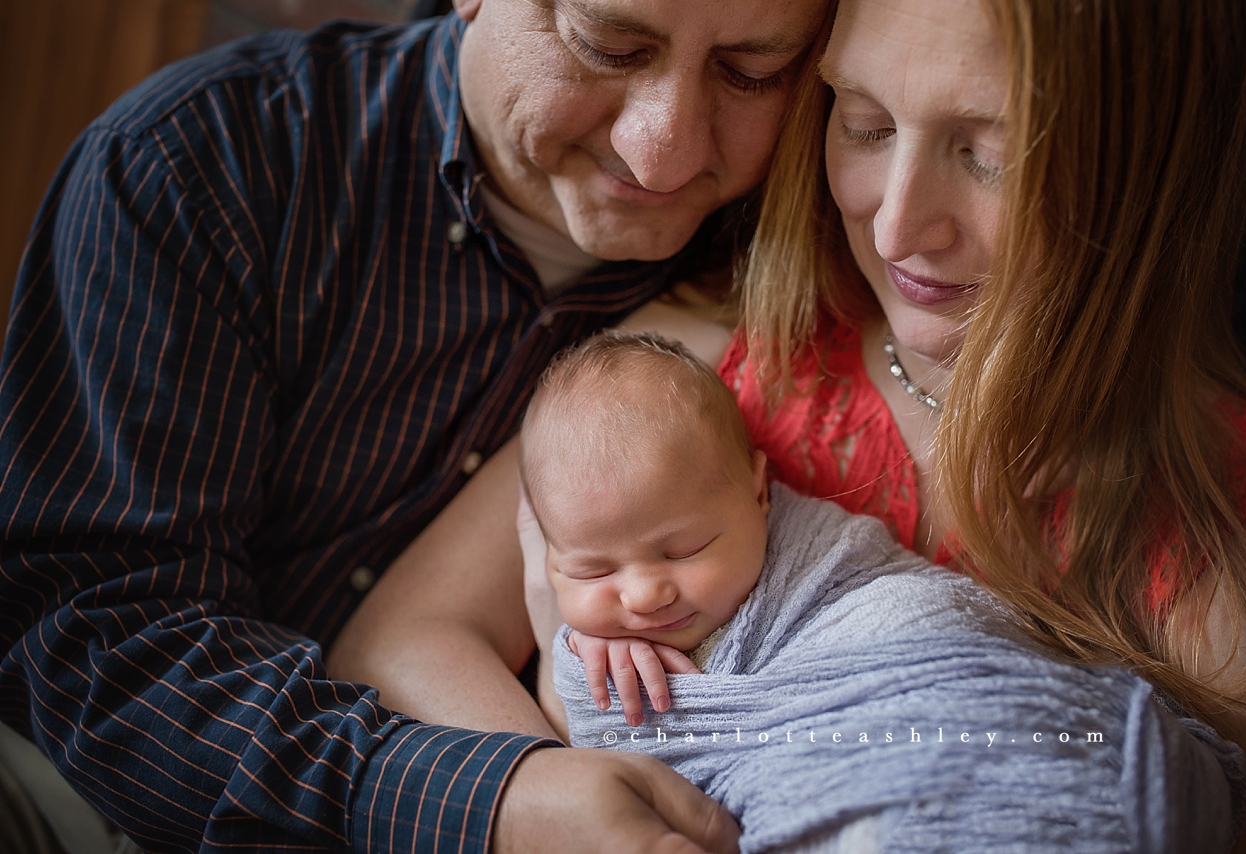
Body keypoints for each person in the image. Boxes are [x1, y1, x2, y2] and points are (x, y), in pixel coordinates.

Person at [323, 0, 1246, 847]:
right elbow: (402, 638)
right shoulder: (700, 376)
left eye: (990, 155)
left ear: (1154, 175)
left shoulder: (1229, 534)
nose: (899, 224)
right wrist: (563, 784)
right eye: (863, 125)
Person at [0, 1, 831, 851]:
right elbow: (100, 638)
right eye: (608, 46)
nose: (662, 150)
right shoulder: (194, 161)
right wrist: (493, 800)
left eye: (749, 73)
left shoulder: (793, 246)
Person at [522, 330, 1246, 853]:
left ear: (758, 490)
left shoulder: (823, 557)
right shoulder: (592, 650)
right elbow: (603, 749)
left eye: (683, 549)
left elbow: (933, 631)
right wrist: (588, 670)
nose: (643, 594)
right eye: (592, 571)